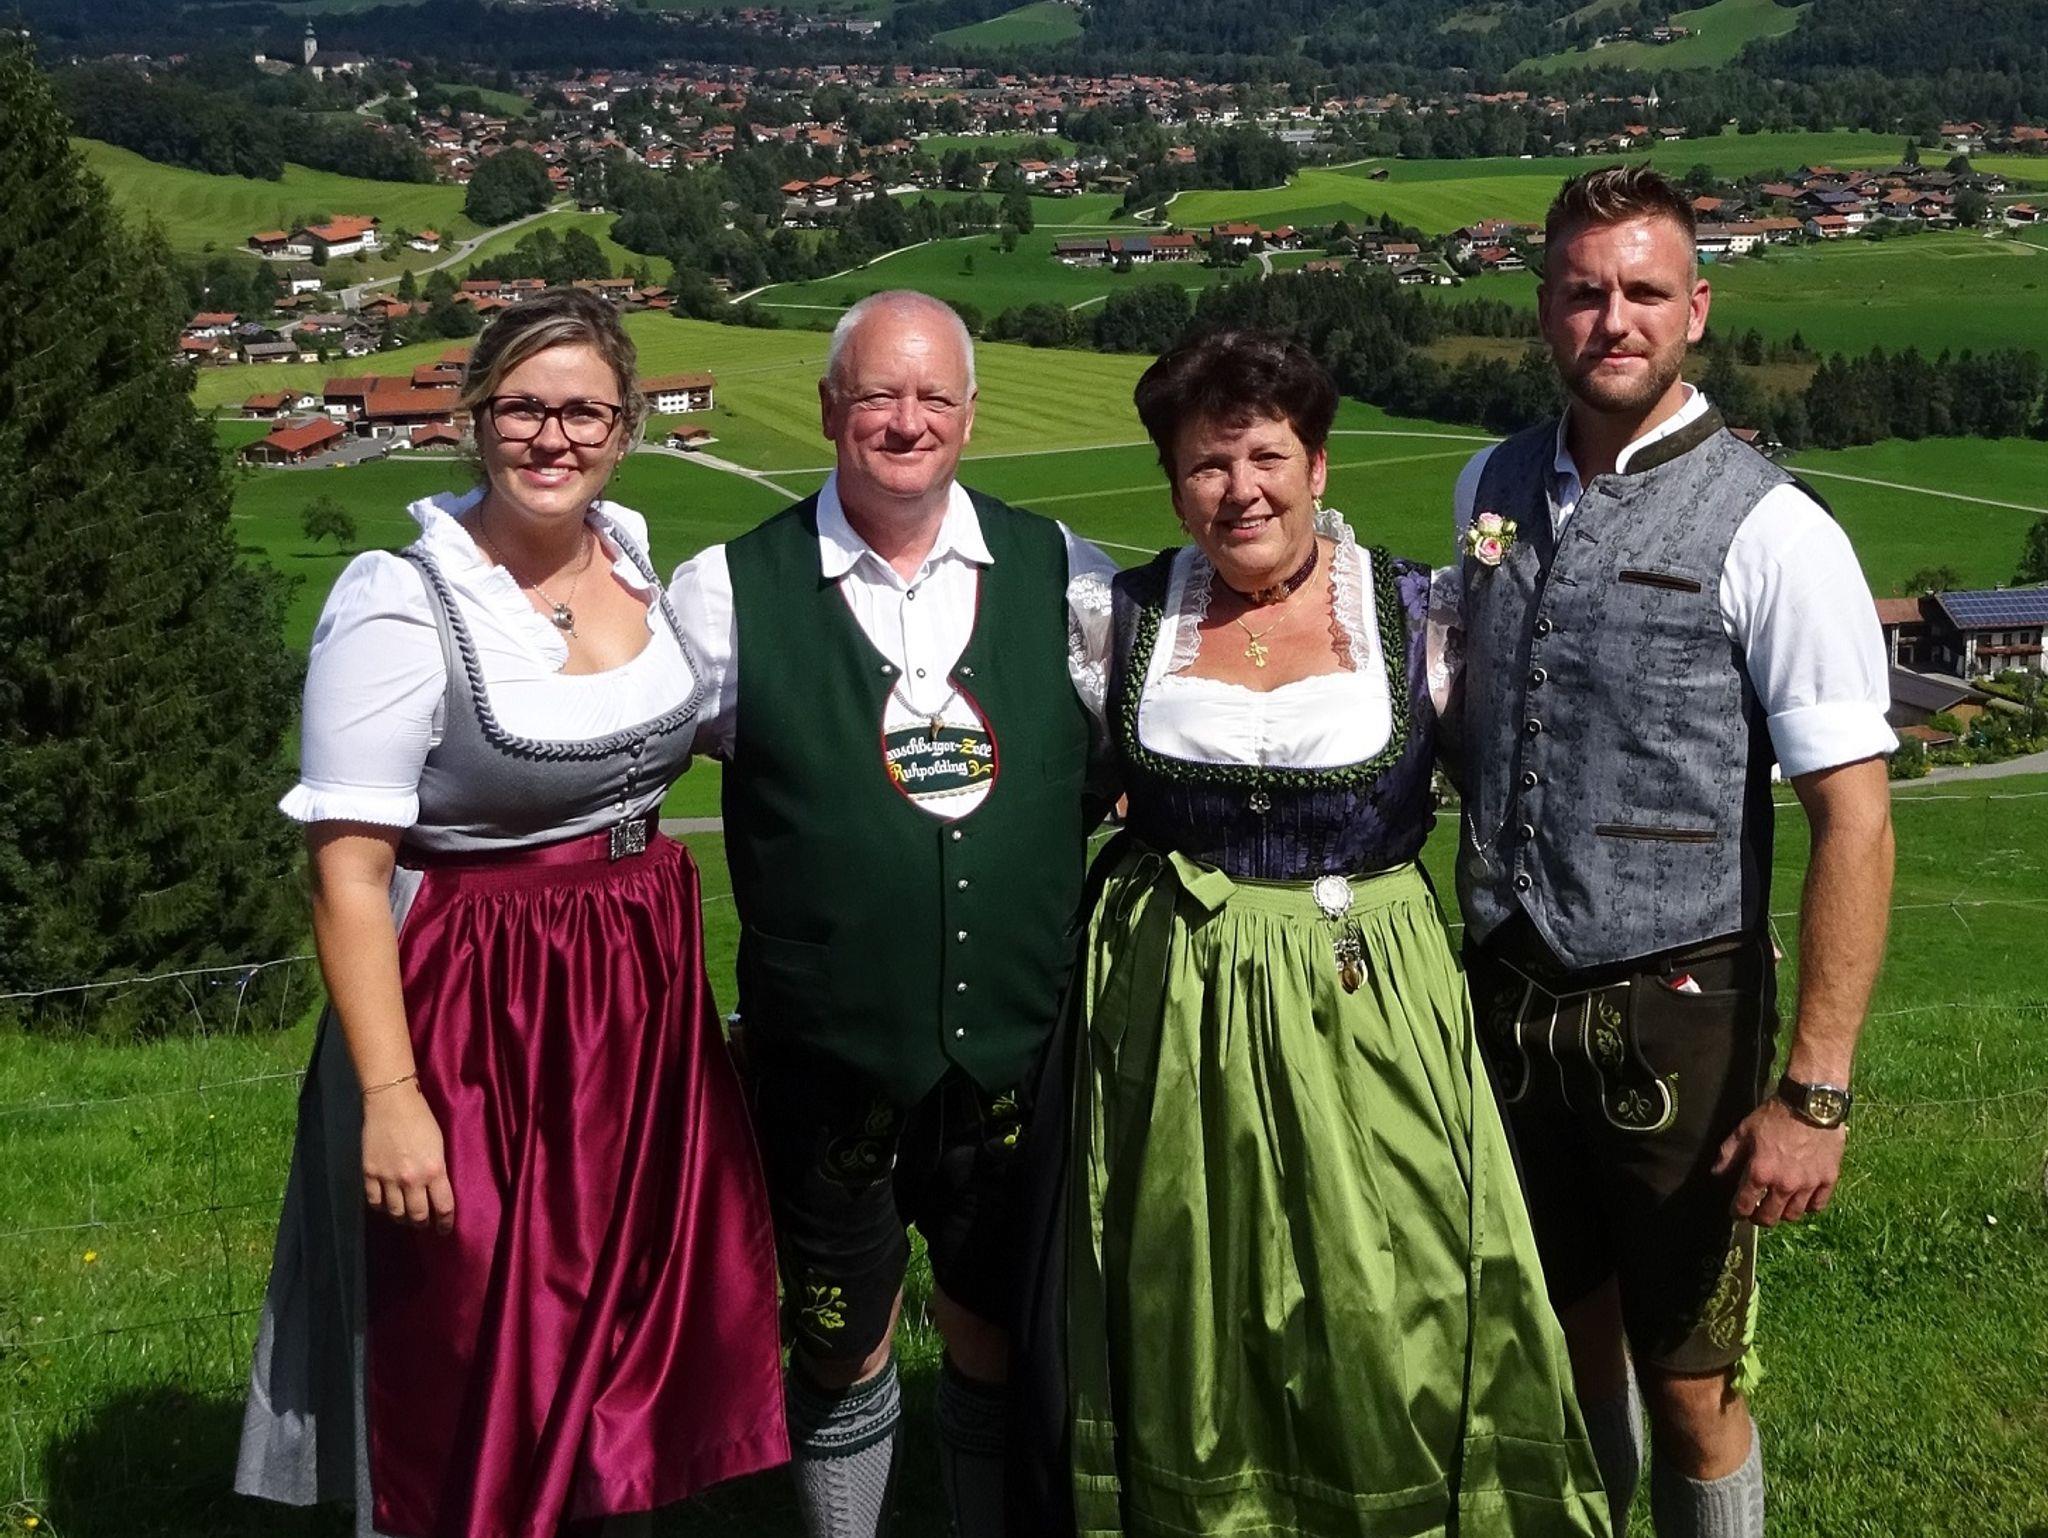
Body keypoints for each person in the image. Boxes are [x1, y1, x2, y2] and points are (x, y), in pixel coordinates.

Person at [236, 289, 786, 1538]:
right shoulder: (402, 602)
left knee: (629, 1322)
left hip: (637, 1002)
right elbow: (347, 875)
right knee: (484, 1324)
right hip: (479, 1010)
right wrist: (391, 1096)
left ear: (625, 427)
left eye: (583, 411)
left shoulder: (636, 562)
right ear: (474, 418)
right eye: (522, 407)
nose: (552, 436)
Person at [1045, 327, 1611, 1537]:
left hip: (1368, 991)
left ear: (1316, 465)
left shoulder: (1417, 613)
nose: (1238, 489)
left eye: (1264, 456)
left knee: (1396, 1280)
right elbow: (1058, 798)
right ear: (1173, 485)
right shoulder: (1121, 620)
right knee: (1188, 1277)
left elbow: (1526, 786)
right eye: (1206, 464)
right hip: (1174, 1000)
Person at [1449, 165, 1896, 1538]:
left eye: (1644, 291)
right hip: (1506, 992)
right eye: (1584, 292)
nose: (1613, 320)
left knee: (1693, 1380)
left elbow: (1855, 820)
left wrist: (1814, 1090)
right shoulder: (1488, 483)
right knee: (1563, 1335)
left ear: (1695, 309)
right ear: (1543, 309)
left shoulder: (1774, 528)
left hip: (1678, 1011)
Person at [669, 289, 1116, 1538]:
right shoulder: (723, 592)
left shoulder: (1064, 572)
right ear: (830, 410)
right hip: (826, 1057)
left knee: (992, 1332)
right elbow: (616, 764)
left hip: (1013, 1053)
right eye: (876, 394)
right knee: (838, 1343)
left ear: (969, 413)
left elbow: (1135, 754)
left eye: (931, 396)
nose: (904, 420)